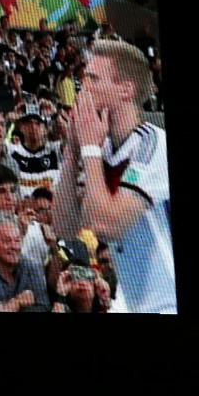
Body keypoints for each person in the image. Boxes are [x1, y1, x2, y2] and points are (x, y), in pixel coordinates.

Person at [54, 40, 174, 314]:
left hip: (169, 302)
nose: (83, 87)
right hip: (131, 301)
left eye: (93, 78)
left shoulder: (153, 146)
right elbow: (64, 229)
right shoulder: (102, 147)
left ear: (126, 89)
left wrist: (89, 149)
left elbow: (107, 226)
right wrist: (74, 151)